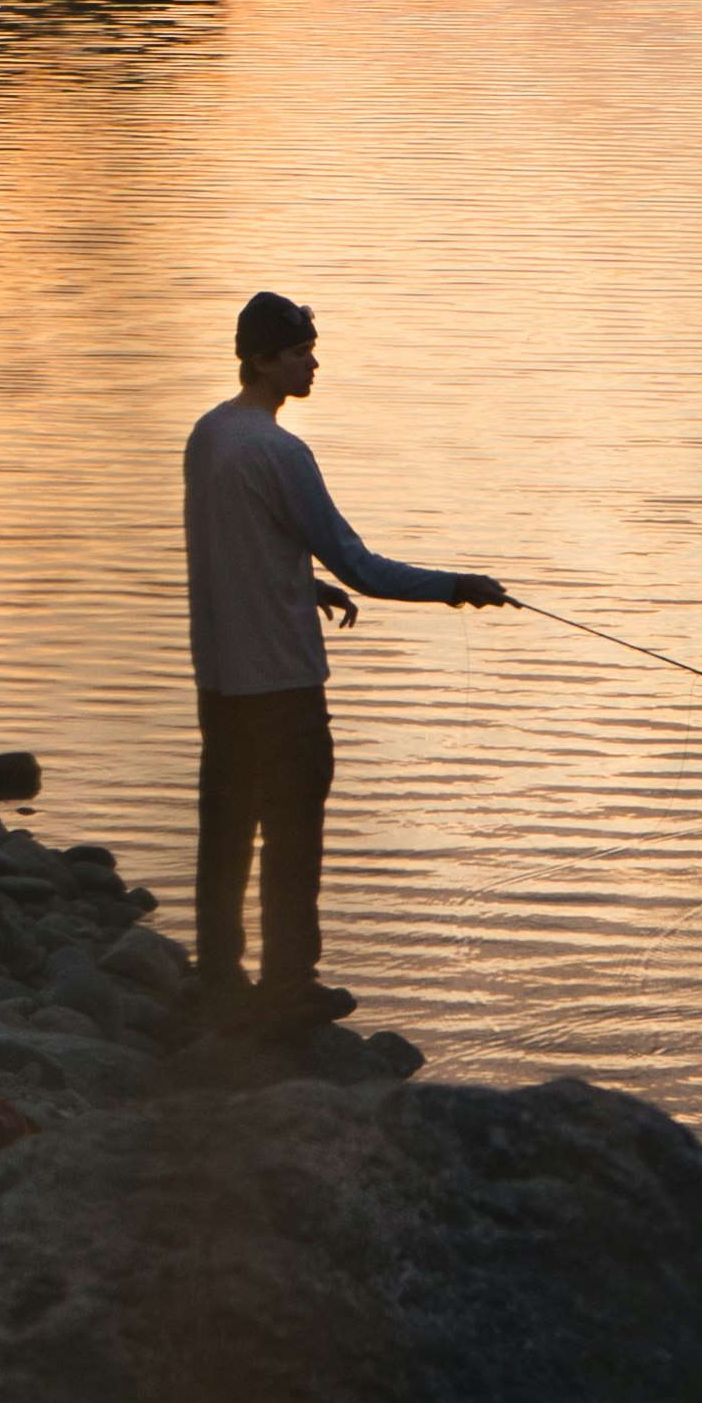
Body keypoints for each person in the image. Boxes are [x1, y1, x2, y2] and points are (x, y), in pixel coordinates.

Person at [180, 288, 506, 1040]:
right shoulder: (280, 451)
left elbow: (236, 542)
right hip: (283, 684)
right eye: (297, 353)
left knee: (226, 831)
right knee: (293, 835)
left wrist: (300, 580)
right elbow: (360, 565)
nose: (312, 363)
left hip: (220, 679)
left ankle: (220, 980)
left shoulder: (208, 436)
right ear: (261, 361)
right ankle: (289, 988)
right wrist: (458, 588)